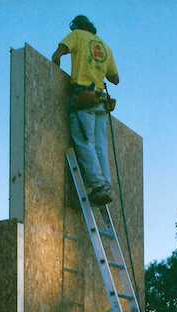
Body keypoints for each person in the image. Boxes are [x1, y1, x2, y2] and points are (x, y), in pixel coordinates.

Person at [52, 15, 120, 206]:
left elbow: (57, 55)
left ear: (77, 26)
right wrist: (98, 69)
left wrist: (53, 75)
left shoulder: (77, 35)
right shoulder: (105, 46)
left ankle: (97, 186)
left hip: (83, 97)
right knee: (100, 146)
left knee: (84, 141)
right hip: (100, 101)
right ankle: (105, 185)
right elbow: (115, 79)